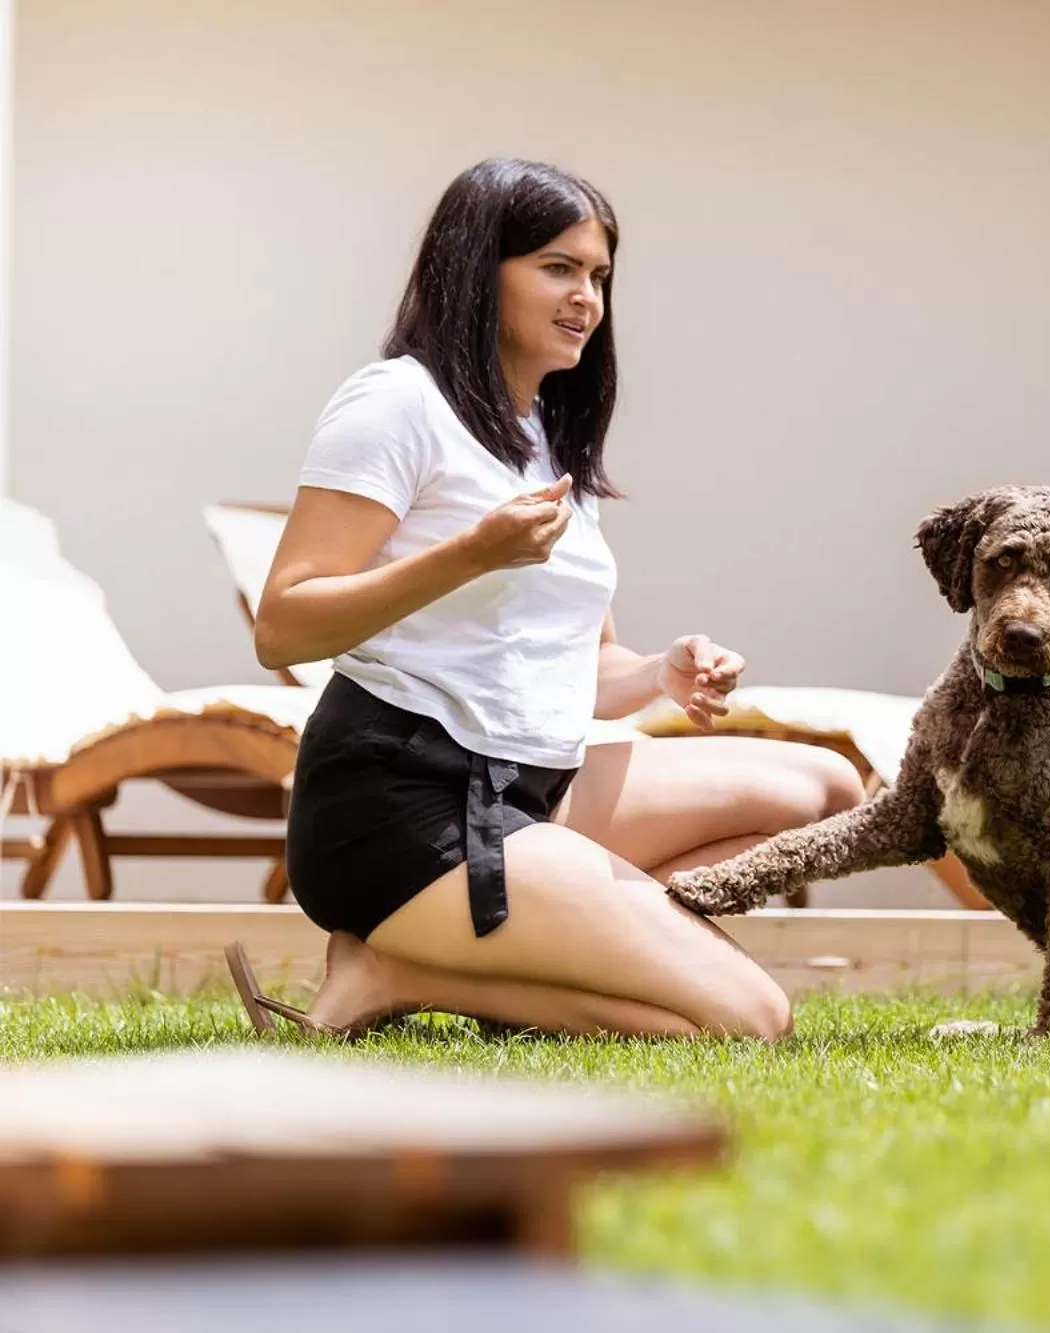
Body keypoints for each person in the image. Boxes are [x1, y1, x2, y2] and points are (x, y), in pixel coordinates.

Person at [225, 157, 862, 1042]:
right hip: (400, 804)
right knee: (750, 1020)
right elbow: (283, 623)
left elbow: (582, 670)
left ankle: (509, 944)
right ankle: (401, 965)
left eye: (598, 276)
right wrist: (468, 555)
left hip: (533, 785)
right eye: (557, 268)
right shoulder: (397, 404)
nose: (587, 300)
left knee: (827, 787)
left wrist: (659, 673)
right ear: (476, 270)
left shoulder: (544, 432)